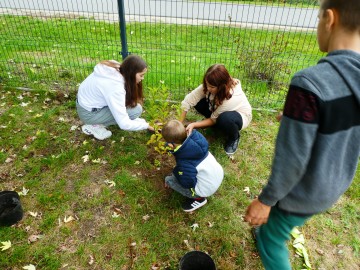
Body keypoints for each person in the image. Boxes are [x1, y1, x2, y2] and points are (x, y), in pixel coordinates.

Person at [244, 0, 360, 269]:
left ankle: (267, 234)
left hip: (304, 191)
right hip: (334, 185)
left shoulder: (310, 83)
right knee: (276, 228)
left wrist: (265, 201)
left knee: (272, 240)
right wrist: (305, 121)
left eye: (318, 19)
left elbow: (292, 160)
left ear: (329, 19)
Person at [76, 55, 154, 140]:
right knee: (135, 111)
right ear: (131, 73)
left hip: (86, 104)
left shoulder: (115, 67)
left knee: (132, 108)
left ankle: (97, 121)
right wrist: (145, 125)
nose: (142, 78)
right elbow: (124, 124)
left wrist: (140, 122)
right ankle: (93, 126)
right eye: (141, 75)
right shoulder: (115, 88)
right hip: (88, 114)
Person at [179, 64, 252, 155]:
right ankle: (217, 125)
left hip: (238, 115)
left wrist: (194, 124)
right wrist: (179, 124)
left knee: (225, 119)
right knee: (196, 101)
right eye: (207, 84)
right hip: (217, 110)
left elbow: (214, 119)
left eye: (212, 87)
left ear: (222, 86)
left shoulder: (232, 97)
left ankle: (234, 137)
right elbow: (188, 100)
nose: (208, 88)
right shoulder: (210, 85)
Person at [162, 120, 224, 212]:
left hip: (206, 189)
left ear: (171, 145)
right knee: (181, 172)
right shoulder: (197, 142)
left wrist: (177, 173)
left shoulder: (185, 162)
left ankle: (199, 199)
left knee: (169, 180)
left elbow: (187, 183)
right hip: (217, 175)